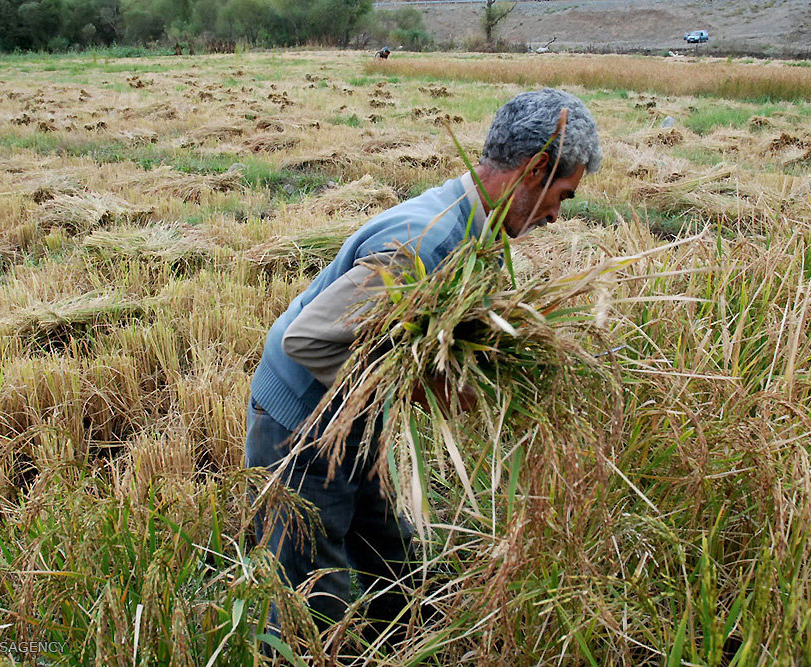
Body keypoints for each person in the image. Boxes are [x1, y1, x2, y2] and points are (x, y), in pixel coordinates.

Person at [245, 88, 602, 639]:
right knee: (304, 607)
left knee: (402, 575)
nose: (557, 215)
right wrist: (421, 389)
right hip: (302, 431)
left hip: (354, 427)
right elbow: (309, 341)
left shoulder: (473, 230)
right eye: (563, 194)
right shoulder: (426, 244)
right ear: (533, 170)